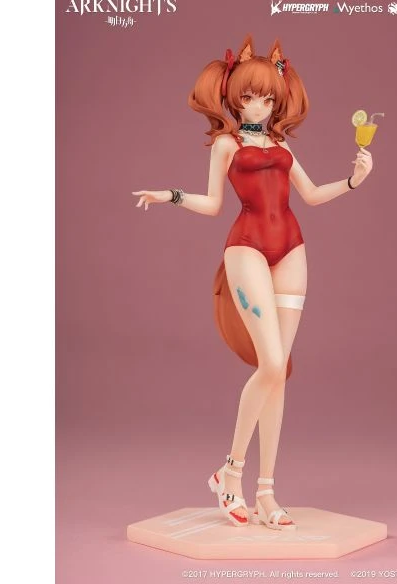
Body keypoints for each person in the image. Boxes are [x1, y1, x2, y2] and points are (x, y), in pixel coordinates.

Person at [132, 34, 373, 531]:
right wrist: (169, 195)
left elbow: (311, 194)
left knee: (279, 373)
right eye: (249, 97)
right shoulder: (228, 144)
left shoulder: (282, 145)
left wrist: (354, 180)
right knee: (272, 362)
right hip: (246, 248)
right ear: (233, 98)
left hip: (292, 250)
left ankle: (266, 492)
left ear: (276, 99)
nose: (259, 106)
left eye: (266, 98)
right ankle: (231, 471)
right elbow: (212, 203)